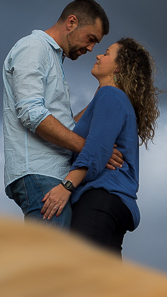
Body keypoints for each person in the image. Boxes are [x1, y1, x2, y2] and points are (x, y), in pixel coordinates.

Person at [1, 0, 123, 228]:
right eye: (90, 39)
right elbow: (31, 113)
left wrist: (102, 94)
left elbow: (62, 124)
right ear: (72, 22)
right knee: (49, 261)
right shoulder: (33, 47)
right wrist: (94, 151)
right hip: (40, 174)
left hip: (52, 175)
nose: (90, 49)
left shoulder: (53, 57)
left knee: (56, 259)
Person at [41, 38, 160, 256]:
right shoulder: (109, 97)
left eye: (106, 53)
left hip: (100, 199)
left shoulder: (111, 95)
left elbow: (96, 150)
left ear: (119, 66)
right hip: (115, 203)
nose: (98, 55)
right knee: (105, 287)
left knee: (81, 278)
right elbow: (73, 130)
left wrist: (66, 187)